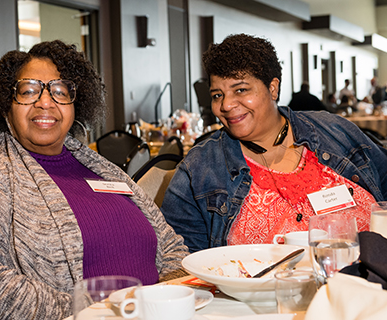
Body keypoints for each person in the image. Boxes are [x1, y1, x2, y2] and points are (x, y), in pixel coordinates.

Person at [0, 40, 188, 319]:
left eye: (60, 91)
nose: (45, 102)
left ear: (75, 104)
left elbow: (171, 246)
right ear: (6, 106)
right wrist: (90, 313)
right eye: (28, 91)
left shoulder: (102, 168)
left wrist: (169, 300)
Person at [160, 34, 387, 253]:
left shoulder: (334, 131)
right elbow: (183, 263)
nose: (226, 105)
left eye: (241, 90)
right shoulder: (199, 169)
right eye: (218, 95)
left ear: (273, 88)